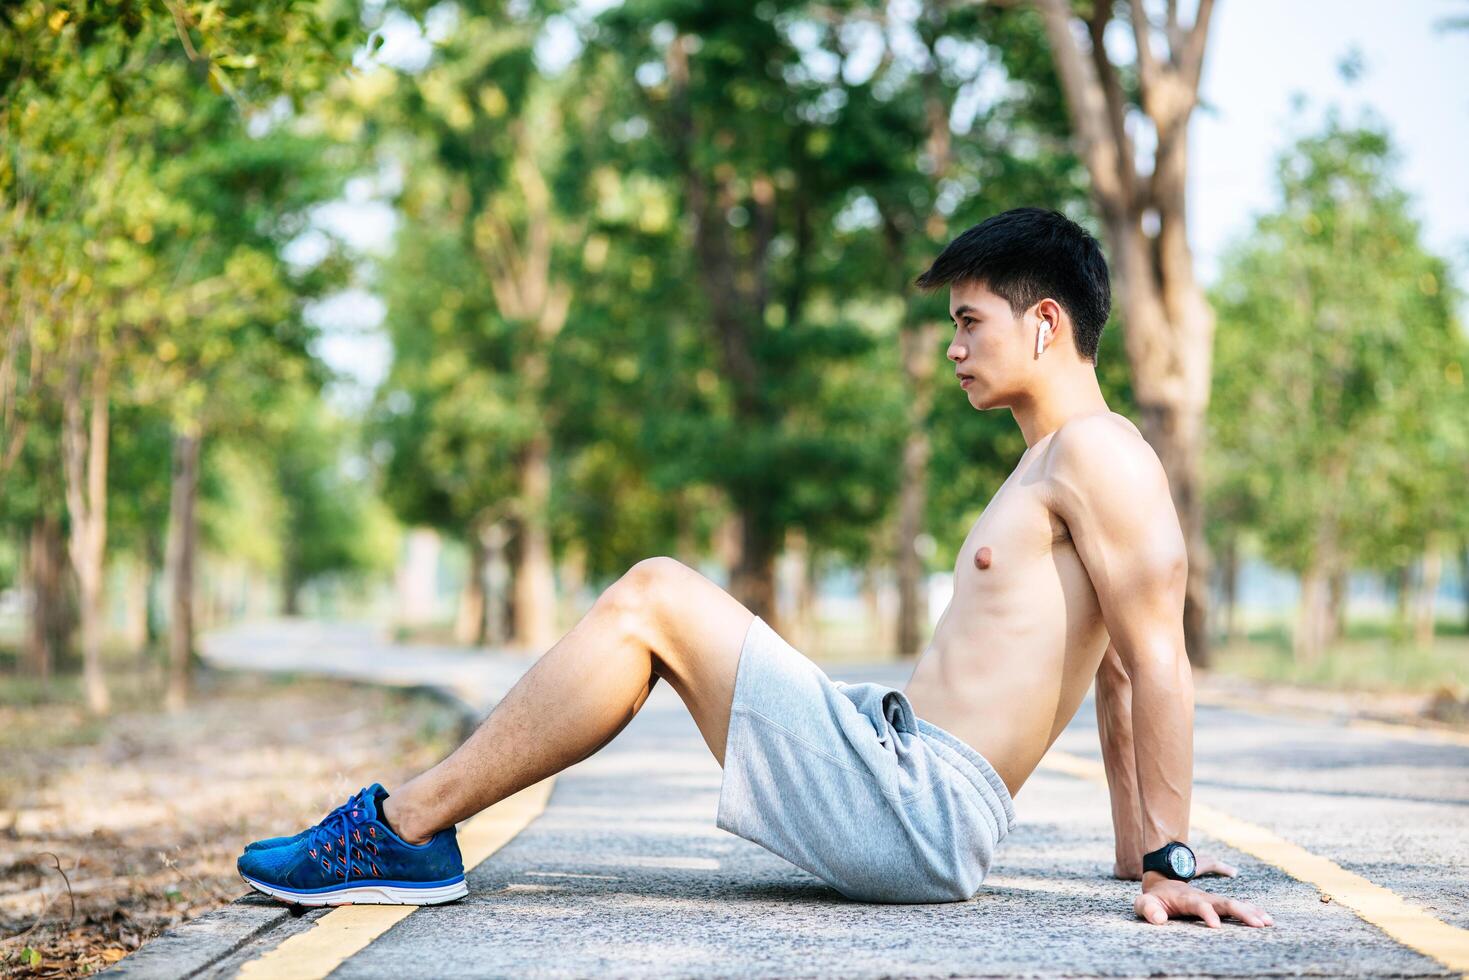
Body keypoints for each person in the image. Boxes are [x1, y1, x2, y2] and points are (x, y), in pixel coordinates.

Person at [237, 207, 1272, 928]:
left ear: (1045, 323)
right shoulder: (1049, 461)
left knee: (652, 593)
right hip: (895, 764)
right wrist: (1136, 846)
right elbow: (1108, 673)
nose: (952, 349)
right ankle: (406, 829)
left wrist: (1169, 858)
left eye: (969, 323)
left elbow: (1155, 658)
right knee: (654, 604)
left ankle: (402, 828)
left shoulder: (1100, 453)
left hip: (918, 810)